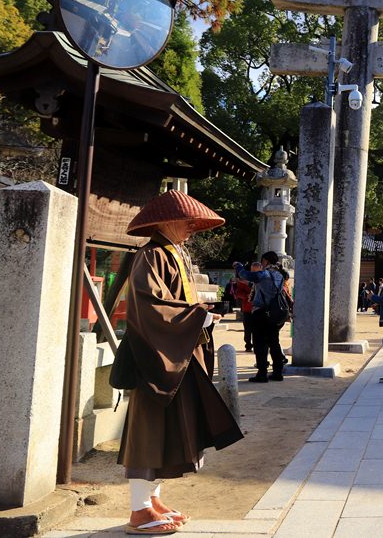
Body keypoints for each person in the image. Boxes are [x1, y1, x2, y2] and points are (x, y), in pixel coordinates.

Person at [118, 190, 242, 535]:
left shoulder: (175, 253)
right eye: (185, 222)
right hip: (157, 359)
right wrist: (196, 319)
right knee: (151, 431)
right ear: (165, 222)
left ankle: (153, 500)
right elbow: (150, 306)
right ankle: (139, 511)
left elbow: (176, 301)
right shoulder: (151, 255)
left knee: (170, 432)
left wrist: (197, 317)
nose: (191, 228)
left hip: (178, 354)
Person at [234, 251, 289, 383]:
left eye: (263, 260)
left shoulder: (264, 274)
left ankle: (262, 373)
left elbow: (245, 275)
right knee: (274, 342)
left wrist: (238, 266)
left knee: (260, 343)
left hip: (261, 312)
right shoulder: (279, 275)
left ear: (266, 261)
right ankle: (277, 372)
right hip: (275, 312)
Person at [232, 268, 255, 352]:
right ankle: (248, 345)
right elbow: (238, 293)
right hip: (247, 308)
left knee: (258, 329)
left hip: (259, 308)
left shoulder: (261, 279)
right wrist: (247, 295)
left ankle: (257, 345)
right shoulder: (244, 281)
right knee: (248, 328)